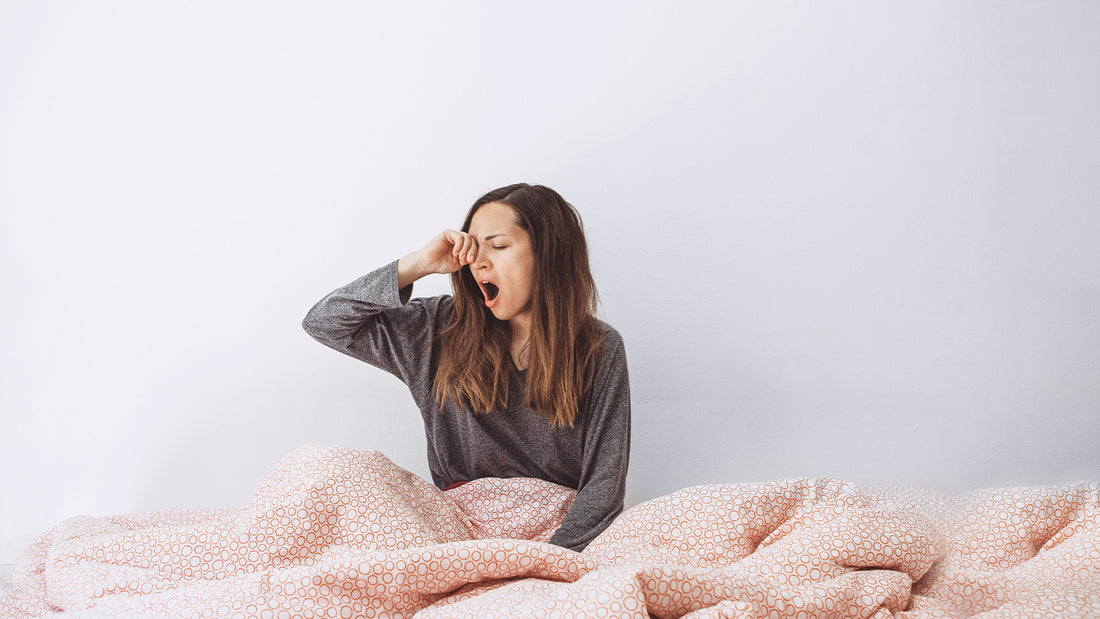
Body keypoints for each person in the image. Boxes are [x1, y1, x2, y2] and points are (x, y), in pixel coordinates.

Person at [301, 183, 631, 552]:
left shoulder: (599, 347)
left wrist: (549, 561)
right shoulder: (437, 328)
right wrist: (418, 264)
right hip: (456, 534)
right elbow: (324, 322)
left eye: (499, 246)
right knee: (328, 468)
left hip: (560, 536)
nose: (479, 261)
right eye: (473, 248)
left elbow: (604, 486)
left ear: (549, 254)